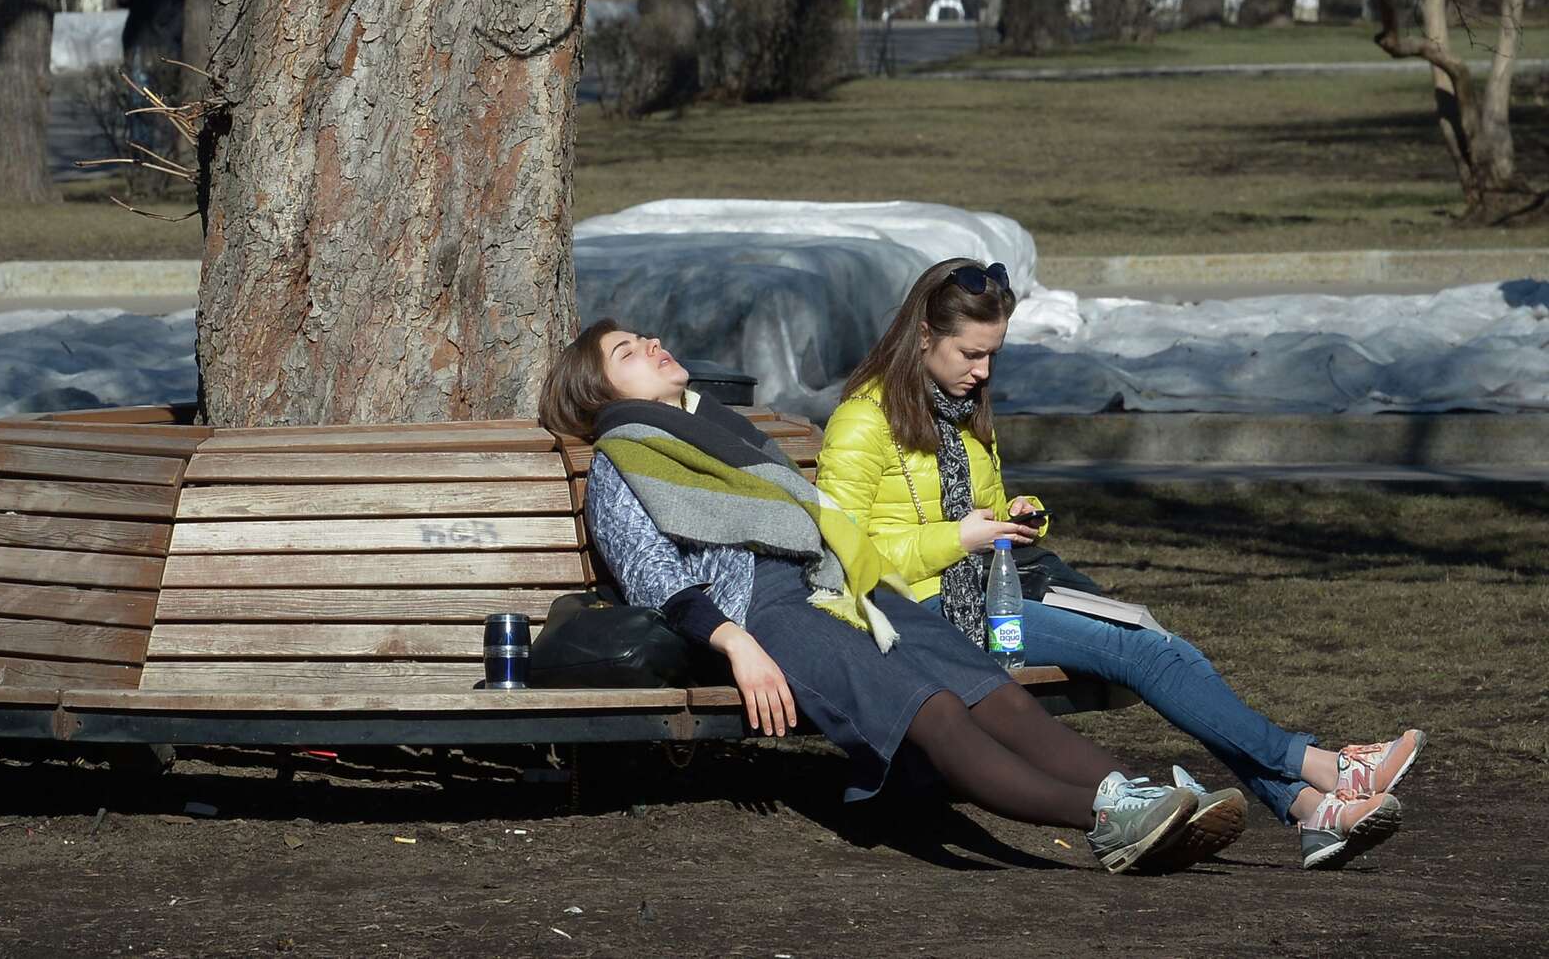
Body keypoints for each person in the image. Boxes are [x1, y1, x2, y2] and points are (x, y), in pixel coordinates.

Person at [543, 319, 1225, 875]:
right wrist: (737, 643)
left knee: (989, 689)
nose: (653, 345)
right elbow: (654, 578)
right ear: (599, 395)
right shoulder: (619, 463)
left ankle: (1130, 793)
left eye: (644, 336)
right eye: (628, 352)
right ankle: (1106, 820)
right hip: (763, 612)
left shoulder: (718, 431)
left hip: (840, 581)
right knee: (931, 709)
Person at [816, 257, 1424, 871]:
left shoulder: (960, 414)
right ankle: (1319, 772)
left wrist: (1020, 516)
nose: (983, 371)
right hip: (924, 612)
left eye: (993, 355)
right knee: (1148, 652)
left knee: (1160, 644)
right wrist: (957, 539)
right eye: (971, 354)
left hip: (989, 587)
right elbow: (841, 553)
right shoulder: (863, 421)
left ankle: (1308, 806)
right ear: (923, 336)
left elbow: (983, 510)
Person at [116, 0, 189, 149]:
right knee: (139, 99)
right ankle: (142, 155)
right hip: (139, 37)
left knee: (169, 100)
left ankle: (171, 152)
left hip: (171, 36)